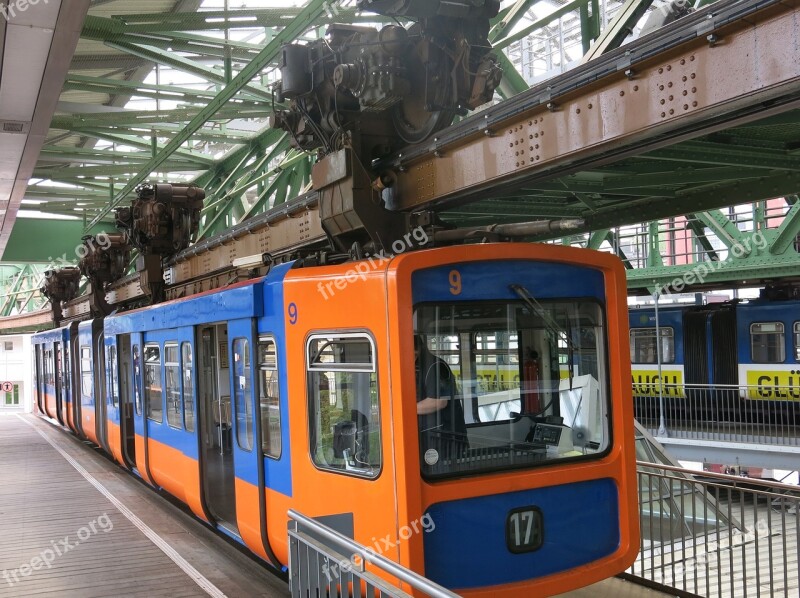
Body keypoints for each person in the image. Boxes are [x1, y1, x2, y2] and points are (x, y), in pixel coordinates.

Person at [414, 335, 467, 462]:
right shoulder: (417, 366)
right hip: (429, 436)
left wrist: (402, 411)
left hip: (445, 439)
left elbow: (439, 401)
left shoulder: (436, 366)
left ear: (419, 349)